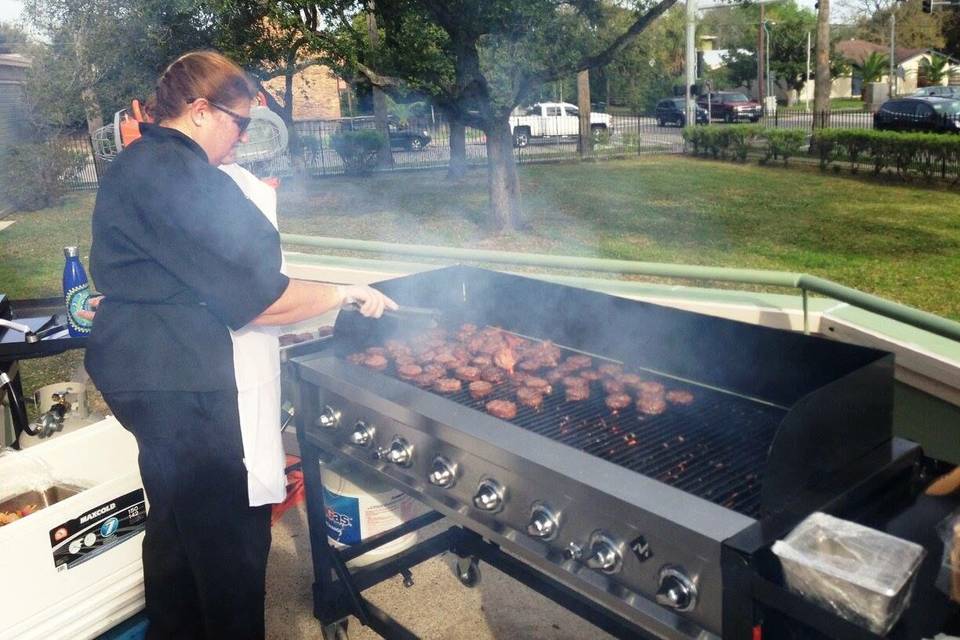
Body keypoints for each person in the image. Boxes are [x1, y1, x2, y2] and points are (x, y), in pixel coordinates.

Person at [84, 50, 396, 640]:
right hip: (186, 382)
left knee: (177, 528)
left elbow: (165, 273)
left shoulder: (136, 163)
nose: (244, 137)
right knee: (228, 540)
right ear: (200, 111)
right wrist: (343, 292)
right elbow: (262, 298)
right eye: (240, 122)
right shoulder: (186, 177)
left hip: (142, 375)